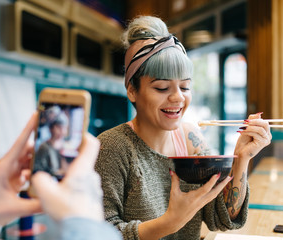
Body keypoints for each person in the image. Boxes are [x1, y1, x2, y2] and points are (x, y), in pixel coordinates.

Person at [95, 16, 272, 240]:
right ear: (132, 90)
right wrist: (170, 223)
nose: (178, 97)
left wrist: (241, 158)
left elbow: (224, 218)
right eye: (161, 87)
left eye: (185, 86)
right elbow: (99, 233)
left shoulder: (190, 138)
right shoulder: (112, 147)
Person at [0, 113, 121, 240]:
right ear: (53, 128)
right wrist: (85, 225)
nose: (62, 130)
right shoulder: (45, 147)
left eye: (64, 127)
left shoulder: (62, 147)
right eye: (59, 127)